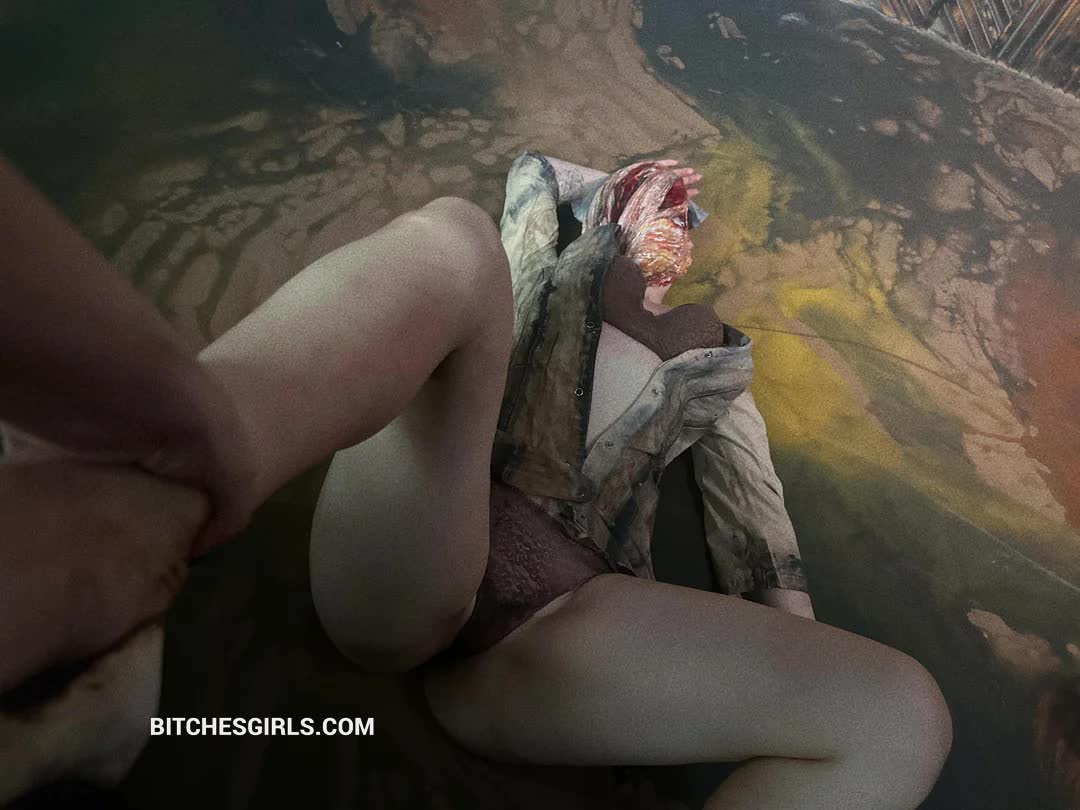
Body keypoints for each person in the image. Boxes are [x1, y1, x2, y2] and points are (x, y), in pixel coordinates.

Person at [0, 150, 951, 808]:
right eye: (666, 214)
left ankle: (114, 556)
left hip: (566, 613)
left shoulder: (720, 358)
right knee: (457, 242)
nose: (678, 234)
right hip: (434, 517)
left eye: (684, 226)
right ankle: (132, 526)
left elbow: (755, 513)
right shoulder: (555, 247)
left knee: (902, 714)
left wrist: (783, 652)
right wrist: (626, 190)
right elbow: (534, 172)